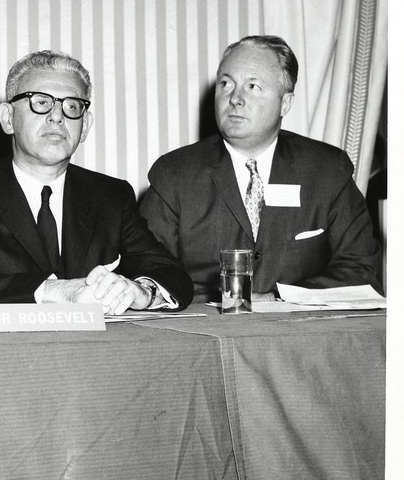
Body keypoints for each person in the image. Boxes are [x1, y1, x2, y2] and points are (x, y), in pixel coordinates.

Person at [0, 50, 193, 312]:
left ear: (85, 126)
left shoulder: (112, 196)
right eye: (41, 102)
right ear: (8, 119)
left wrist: (142, 292)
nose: (57, 116)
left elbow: (172, 274)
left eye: (71, 106)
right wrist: (59, 292)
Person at [140, 35, 383, 302]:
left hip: (299, 332)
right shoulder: (174, 174)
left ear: (285, 103)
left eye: (253, 86)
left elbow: (361, 269)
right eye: (225, 84)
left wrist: (277, 297)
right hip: (205, 330)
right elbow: (145, 272)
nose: (234, 98)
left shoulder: (326, 169)